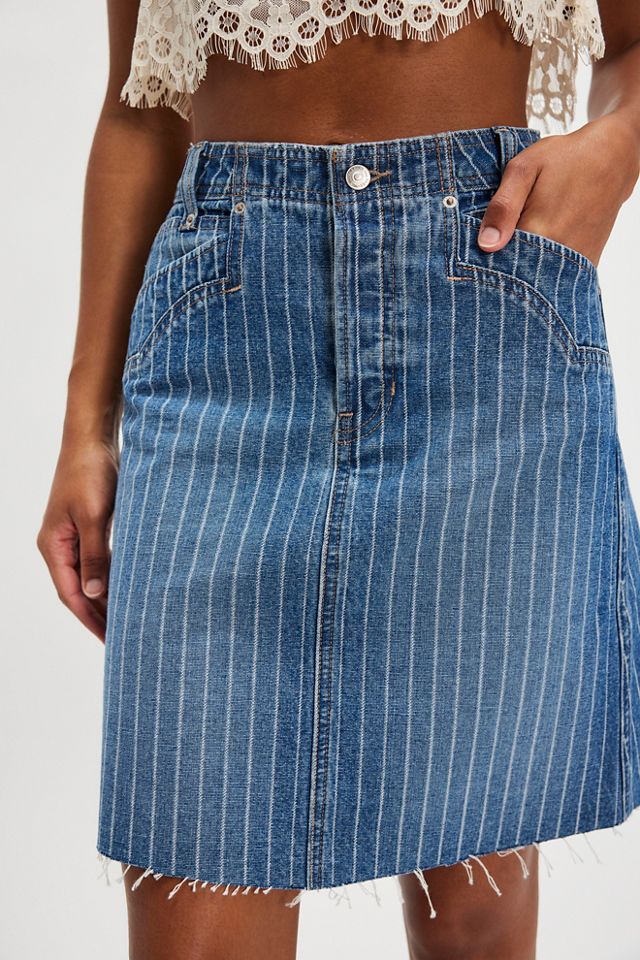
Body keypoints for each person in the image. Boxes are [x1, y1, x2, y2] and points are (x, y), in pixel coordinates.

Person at [37, 1, 640, 957]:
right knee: (193, 894)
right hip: (222, 344)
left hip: (480, 316)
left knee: (472, 915)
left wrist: (615, 148)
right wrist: (84, 428)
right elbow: (139, 110)